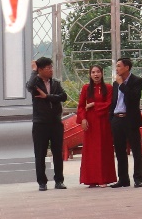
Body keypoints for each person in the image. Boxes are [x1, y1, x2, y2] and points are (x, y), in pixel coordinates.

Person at [28, 57, 68, 191]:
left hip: (56, 122)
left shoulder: (55, 83)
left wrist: (48, 97)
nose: (51, 70)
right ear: (40, 70)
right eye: (48, 68)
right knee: (40, 153)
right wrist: (34, 71)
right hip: (40, 123)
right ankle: (42, 182)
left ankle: (59, 180)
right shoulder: (35, 84)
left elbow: (63, 96)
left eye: (51, 67)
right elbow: (29, 86)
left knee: (58, 152)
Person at [75, 66, 118, 187]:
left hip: (103, 122)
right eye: (93, 72)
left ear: (102, 73)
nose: (96, 74)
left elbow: (110, 103)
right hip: (90, 123)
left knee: (103, 150)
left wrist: (94, 104)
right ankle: (91, 179)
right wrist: (83, 119)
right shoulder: (86, 88)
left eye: (98, 72)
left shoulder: (108, 88)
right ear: (90, 75)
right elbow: (81, 106)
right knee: (91, 151)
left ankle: (103, 179)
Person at [109, 57, 142, 187]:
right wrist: (111, 119)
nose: (117, 69)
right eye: (116, 66)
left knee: (136, 150)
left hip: (130, 120)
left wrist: (122, 85)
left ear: (127, 67)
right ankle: (123, 179)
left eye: (119, 66)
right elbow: (113, 103)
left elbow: (133, 98)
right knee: (119, 150)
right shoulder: (115, 84)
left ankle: (138, 178)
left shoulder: (137, 81)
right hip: (117, 119)